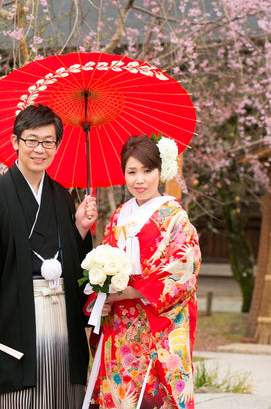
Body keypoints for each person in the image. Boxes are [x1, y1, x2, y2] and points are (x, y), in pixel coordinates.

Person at [0, 104, 97, 409]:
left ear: (57, 146)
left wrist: (80, 229)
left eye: (48, 142)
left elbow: (72, 262)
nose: (40, 149)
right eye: (32, 140)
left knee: (62, 390)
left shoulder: (62, 197)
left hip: (60, 312)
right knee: (17, 396)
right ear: (15, 141)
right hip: (12, 317)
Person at [85, 135, 201, 409]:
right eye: (132, 172)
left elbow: (184, 270)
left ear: (161, 171)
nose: (140, 180)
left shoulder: (174, 216)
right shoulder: (119, 216)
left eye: (148, 171)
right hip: (120, 325)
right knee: (120, 394)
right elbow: (102, 265)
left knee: (154, 395)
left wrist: (133, 291)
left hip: (158, 322)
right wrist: (101, 299)